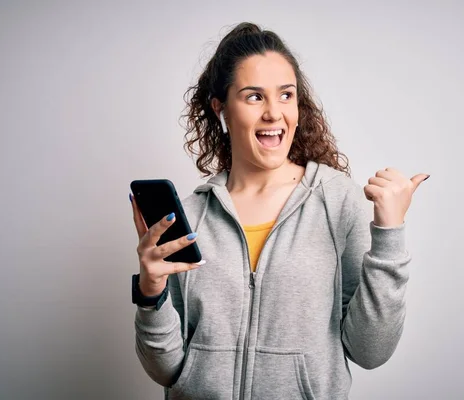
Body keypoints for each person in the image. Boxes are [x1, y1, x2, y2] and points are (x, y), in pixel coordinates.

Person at [129, 22, 429, 400]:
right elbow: (167, 369)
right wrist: (150, 292)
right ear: (220, 109)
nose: (274, 113)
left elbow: (370, 352)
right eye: (254, 96)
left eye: (286, 95)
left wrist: (389, 234)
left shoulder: (338, 203)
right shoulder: (190, 218)